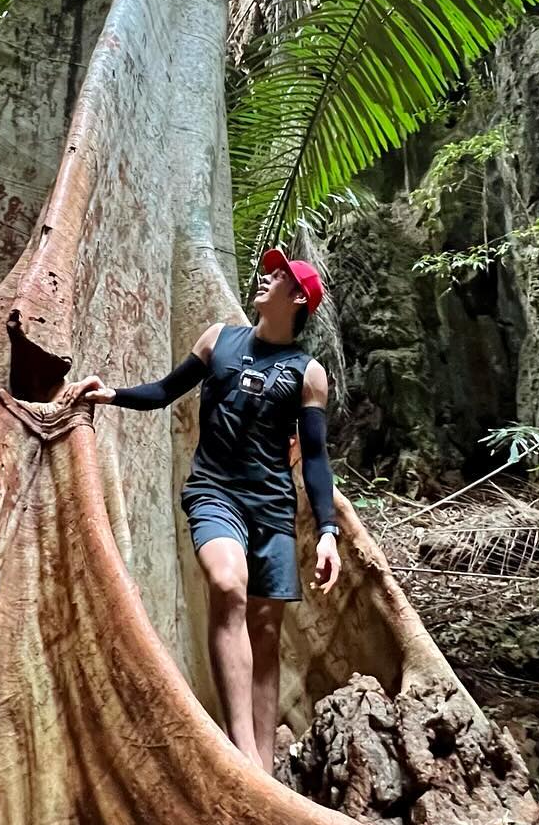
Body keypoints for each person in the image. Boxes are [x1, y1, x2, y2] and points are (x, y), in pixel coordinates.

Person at [69, 248, 340, 772]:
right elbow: (166, 391)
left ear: (298, 298)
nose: (267, 278)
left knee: (264, 629)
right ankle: (242, 758)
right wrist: (109, 394)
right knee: (226, 583)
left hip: (273, 509)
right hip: (215, 492)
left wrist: (327, 530)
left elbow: (316, 458)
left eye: (279, 276)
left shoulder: (309, 374)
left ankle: (263, 765)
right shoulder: (219, 340)